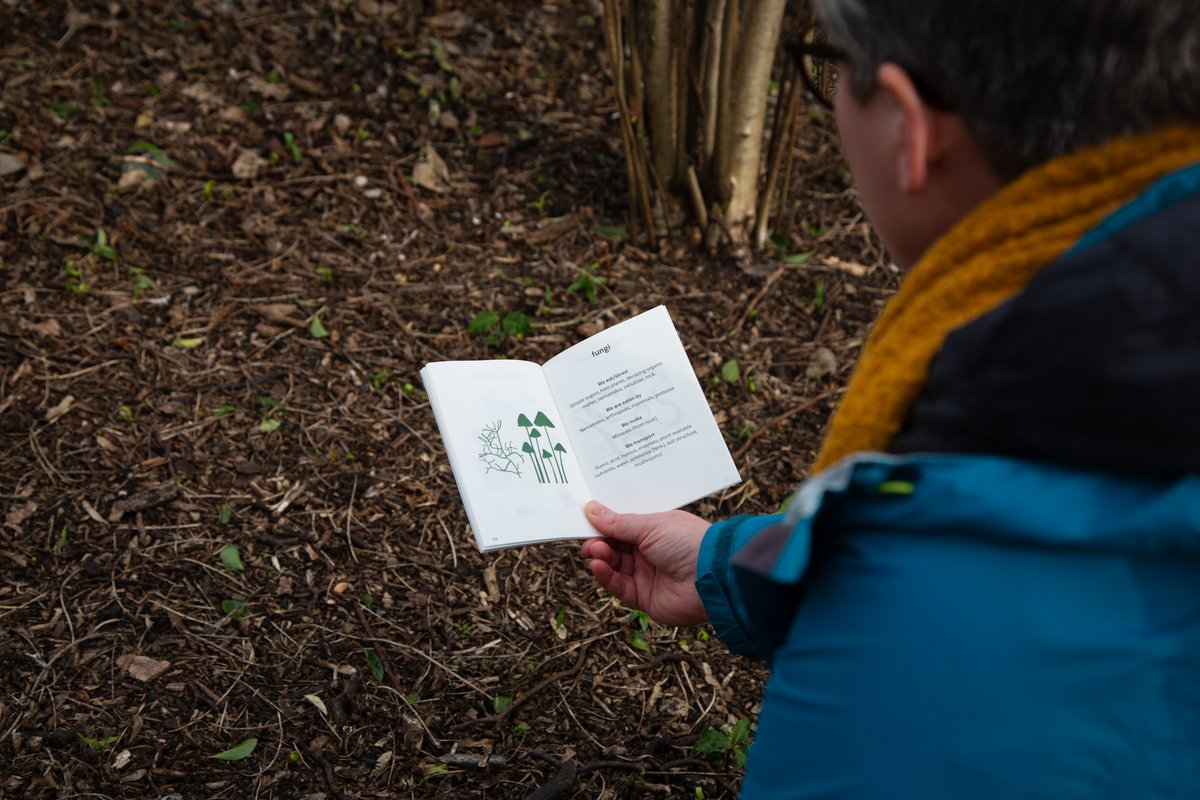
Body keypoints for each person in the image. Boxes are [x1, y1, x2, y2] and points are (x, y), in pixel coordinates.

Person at [582, 0, 1200, 796]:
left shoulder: (907, 634)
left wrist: (878, 578)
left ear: (911, 129)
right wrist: (729, 566)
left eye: (829, 65)